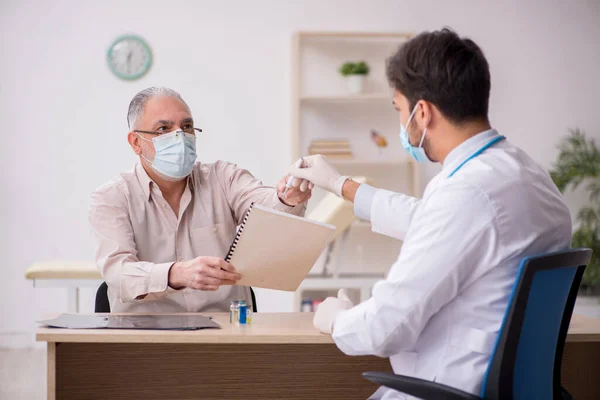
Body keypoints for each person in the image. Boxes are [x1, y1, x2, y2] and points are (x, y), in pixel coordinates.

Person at [288, 29, 572, 399]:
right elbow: (435, 219)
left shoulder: (465, 193)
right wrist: (341, 185)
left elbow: (385, 329)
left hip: (448, 388)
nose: (402, 123)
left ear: (422, 112)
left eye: (399, 111)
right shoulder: (526, 175)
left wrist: (337, 318)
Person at [90, 87, 311, 313]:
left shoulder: (224, 177)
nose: (179, 137)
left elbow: (268, 211)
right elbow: (118, 274)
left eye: (186, 127)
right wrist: (176, 274)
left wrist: (287, 199)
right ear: (136, 142)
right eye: (164, 128)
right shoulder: (112, 197)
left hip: (223, 336)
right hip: (145, 338)